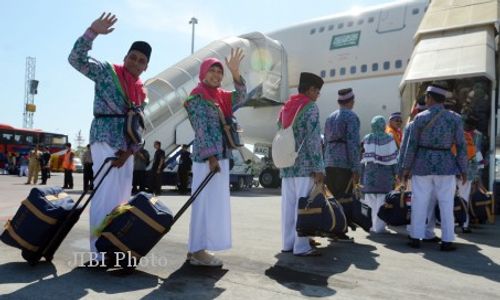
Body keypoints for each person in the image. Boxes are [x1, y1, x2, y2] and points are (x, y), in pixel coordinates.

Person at [69, 12, 152, 263]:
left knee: (121, 199)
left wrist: (129, 152)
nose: (136, 63)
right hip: (105, 138)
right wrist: (91, 32)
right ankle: (98, 252)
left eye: (141, 61)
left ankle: (114, 246)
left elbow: (138, 126)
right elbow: (76, 59)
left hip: (125, 149)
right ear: (125, 57)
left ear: (146, 66)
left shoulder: (141, 91)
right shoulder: (107, 73)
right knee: (105, 195)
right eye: (133, 58)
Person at [184, 50, 246, 267]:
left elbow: (242, 96)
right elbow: (201, 128)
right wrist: (211, 157)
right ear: (203, 73)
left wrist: (235, 72)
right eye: (212, 70)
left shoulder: (221, 96)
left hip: (221, 157)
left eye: (220, 72)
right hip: (207, 159)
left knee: (213, 204)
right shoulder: (197, 95)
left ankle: (198, 249)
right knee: (202, 203)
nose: (217, 75)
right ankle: (197, 249)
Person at [402, 84, 467, 251]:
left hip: (422, 164)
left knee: (419, 202)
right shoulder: (455, 118)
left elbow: (411, 146)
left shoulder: (420, 118)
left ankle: (416, 237)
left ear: (430, 98)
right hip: (446, 164)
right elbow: (461, 146)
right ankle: (447, 240)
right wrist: (463, 169)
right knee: (446, 203)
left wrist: (406, 167)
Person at [278, 72, 325, 257]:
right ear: (311, 89)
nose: (318, 95)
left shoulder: (286, 107)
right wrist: (319, 167)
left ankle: (287, 244)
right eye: (317, 91)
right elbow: (313, 139)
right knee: (304, 207)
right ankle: (302, 246)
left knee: (288, 208)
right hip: (305, 166)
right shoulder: (310, 107)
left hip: (287, 165)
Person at [323, 88, 361, 241]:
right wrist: (356, 167)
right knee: (344, 197)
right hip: (343, 162)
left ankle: (331, 227)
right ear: (351, 101)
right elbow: (353, 144)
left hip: (329, 161)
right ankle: (340, 230)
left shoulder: (330, 117)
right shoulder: (351, 117)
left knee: (331, 196)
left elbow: (325, 141)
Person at [361, 116, 398, 233]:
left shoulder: (367, 138)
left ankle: (370, 225)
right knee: (382, 201)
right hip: (385, 176)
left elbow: (362, 157)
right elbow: (394, 158)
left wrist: (360, 175)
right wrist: (396, 174)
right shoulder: (389, 139)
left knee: (370, 201)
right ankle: (379, 227)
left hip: (370, 175)